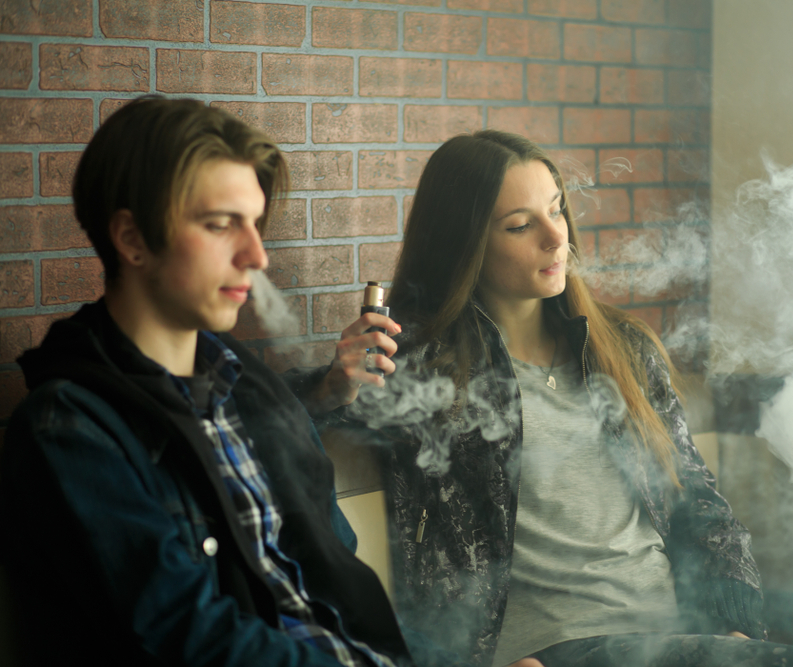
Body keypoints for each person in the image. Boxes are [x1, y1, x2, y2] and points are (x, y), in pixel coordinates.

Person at [0, 97, 541, 667]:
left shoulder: (245, 393)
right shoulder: (70, 430)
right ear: (132, 240)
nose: (255, 255)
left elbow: (341, 598)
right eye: (220, 225)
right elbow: (194, 640)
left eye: (255, 224)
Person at [303, 131, 793, 667]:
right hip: (548, 654)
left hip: (671, 641)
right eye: (520, 225)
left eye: (557, 211)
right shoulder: (423, 368)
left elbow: (699, 506)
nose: (554, 237)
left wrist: (733, 632)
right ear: (464, 245)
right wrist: (332, 388)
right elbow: (263, 416)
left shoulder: (624, 348)